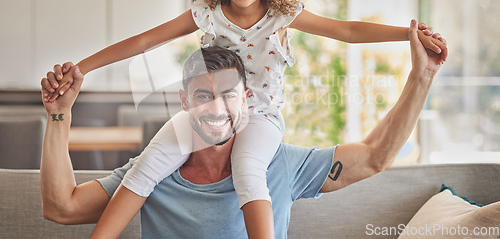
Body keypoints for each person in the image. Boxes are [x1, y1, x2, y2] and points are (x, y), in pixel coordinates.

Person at [41, 0, 447, 238]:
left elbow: (348, 32)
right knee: (145, 168)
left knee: (249, 171)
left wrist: (408, 35)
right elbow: (146, 40)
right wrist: (83, 68)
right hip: (204, 112)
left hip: (260, 119)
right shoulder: (207, 13)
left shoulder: (282, 15)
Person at [41, 23, 445, 238]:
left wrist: (421, 77)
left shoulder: (279, 164)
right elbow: (62, 208)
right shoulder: (153, 171)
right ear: (184, 102)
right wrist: (59, 115)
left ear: (246, 98)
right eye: (203, 96)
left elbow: (375, 156)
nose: (217, 109)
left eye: (228, 96)